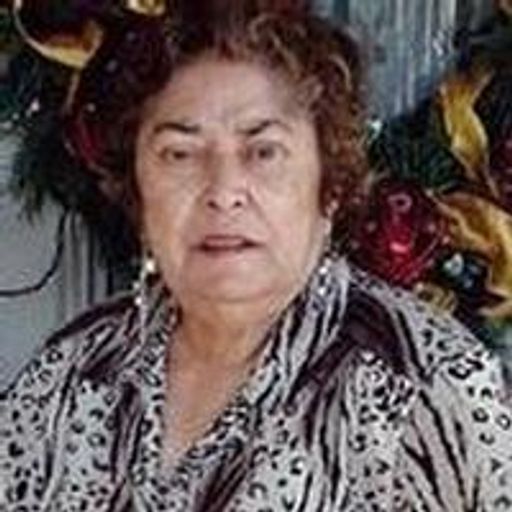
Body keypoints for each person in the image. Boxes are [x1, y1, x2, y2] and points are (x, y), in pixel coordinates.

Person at [1, 2, 511, 510]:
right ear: (138, 186)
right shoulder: (73, 373)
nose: (223, 191)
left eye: (264, 152)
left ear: (330, 182)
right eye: (180, 154)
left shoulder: (431, 385)